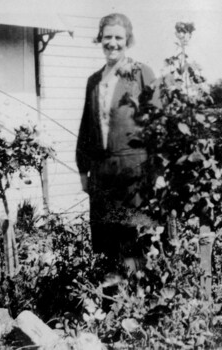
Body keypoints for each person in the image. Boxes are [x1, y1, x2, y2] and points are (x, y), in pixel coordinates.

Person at [76, 13, 157, 269]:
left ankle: (138, 302)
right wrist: (82, 170)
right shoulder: (94, 81)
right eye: (107, 36)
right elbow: (86, 128)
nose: (112, 43)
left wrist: (160, 171)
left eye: (118, 37)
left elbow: (159, 124)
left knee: (134, 240)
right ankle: (112, 302)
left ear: (128, 40)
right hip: (101, 174)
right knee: (105, 242)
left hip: (134, 172)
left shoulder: (141, 73)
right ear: (100, 38)